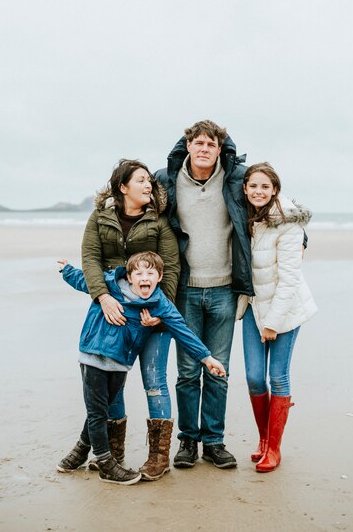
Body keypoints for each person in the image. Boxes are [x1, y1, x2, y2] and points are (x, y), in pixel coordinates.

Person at [57, 251, 226, 484]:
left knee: (102, 408)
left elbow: (182, 331)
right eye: (139, 273)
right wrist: (67, 270)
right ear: (129, 276)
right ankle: (106, 463)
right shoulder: (110, 285)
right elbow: (83, 280)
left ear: (160, 276)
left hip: (120, 364)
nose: (144, 277)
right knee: (98, 412)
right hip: (93, 357)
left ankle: (79, 451)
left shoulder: (160, 304)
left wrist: (207, 358)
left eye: (150, 273)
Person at [63, 159, 181, 481]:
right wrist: (103, 297)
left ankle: (158, 458)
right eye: (141, 180)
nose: (149, 185)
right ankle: (112, 455)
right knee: (112, 383)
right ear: (122, 186)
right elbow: (90, 259)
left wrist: (160, 311)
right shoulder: (100, 218)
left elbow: (170, 265)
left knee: (155, 380)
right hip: (113, 314)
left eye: (150, 181)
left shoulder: (158, 221)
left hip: (153, 316)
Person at [155, 120, 254, 469]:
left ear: (219, 148)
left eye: (211, 144)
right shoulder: (165, 179)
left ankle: (213, 441)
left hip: (225, 289)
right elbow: (136, 208)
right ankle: (187, 441)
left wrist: (299, 235)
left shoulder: (236, 177)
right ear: (188, 145)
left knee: (219, 369)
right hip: (185, 291)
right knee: (186, 371)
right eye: (198, 143)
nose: (204, 149)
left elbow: (269, 201)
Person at [238, 162, 317, 472]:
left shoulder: (288, 224)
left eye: (265, 187)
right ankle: (262, 438)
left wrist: (273, 322)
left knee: (277, 377)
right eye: (253, 186)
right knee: (254, 376)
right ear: (245, 189)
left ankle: (274, 448)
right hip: (253, 308)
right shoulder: (244, 218)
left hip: (285, 309)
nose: (259, 191)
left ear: (275, 191)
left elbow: (290, 279)